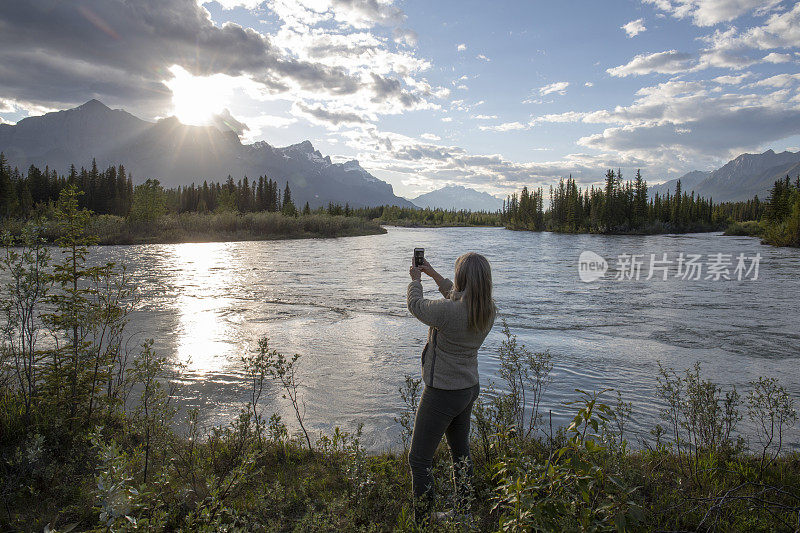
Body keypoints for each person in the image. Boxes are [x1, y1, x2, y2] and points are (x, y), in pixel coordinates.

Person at [406, 252, 496, 524]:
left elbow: (417, 306)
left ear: (462, 278)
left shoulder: (449, 312)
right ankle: (464, 513)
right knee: (461, 453)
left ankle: (423, 522)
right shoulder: (487, 309)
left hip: (442, 393)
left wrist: (416, 280)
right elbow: (454, 297)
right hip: (468, 389)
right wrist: (433, 274)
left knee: (419, 460)